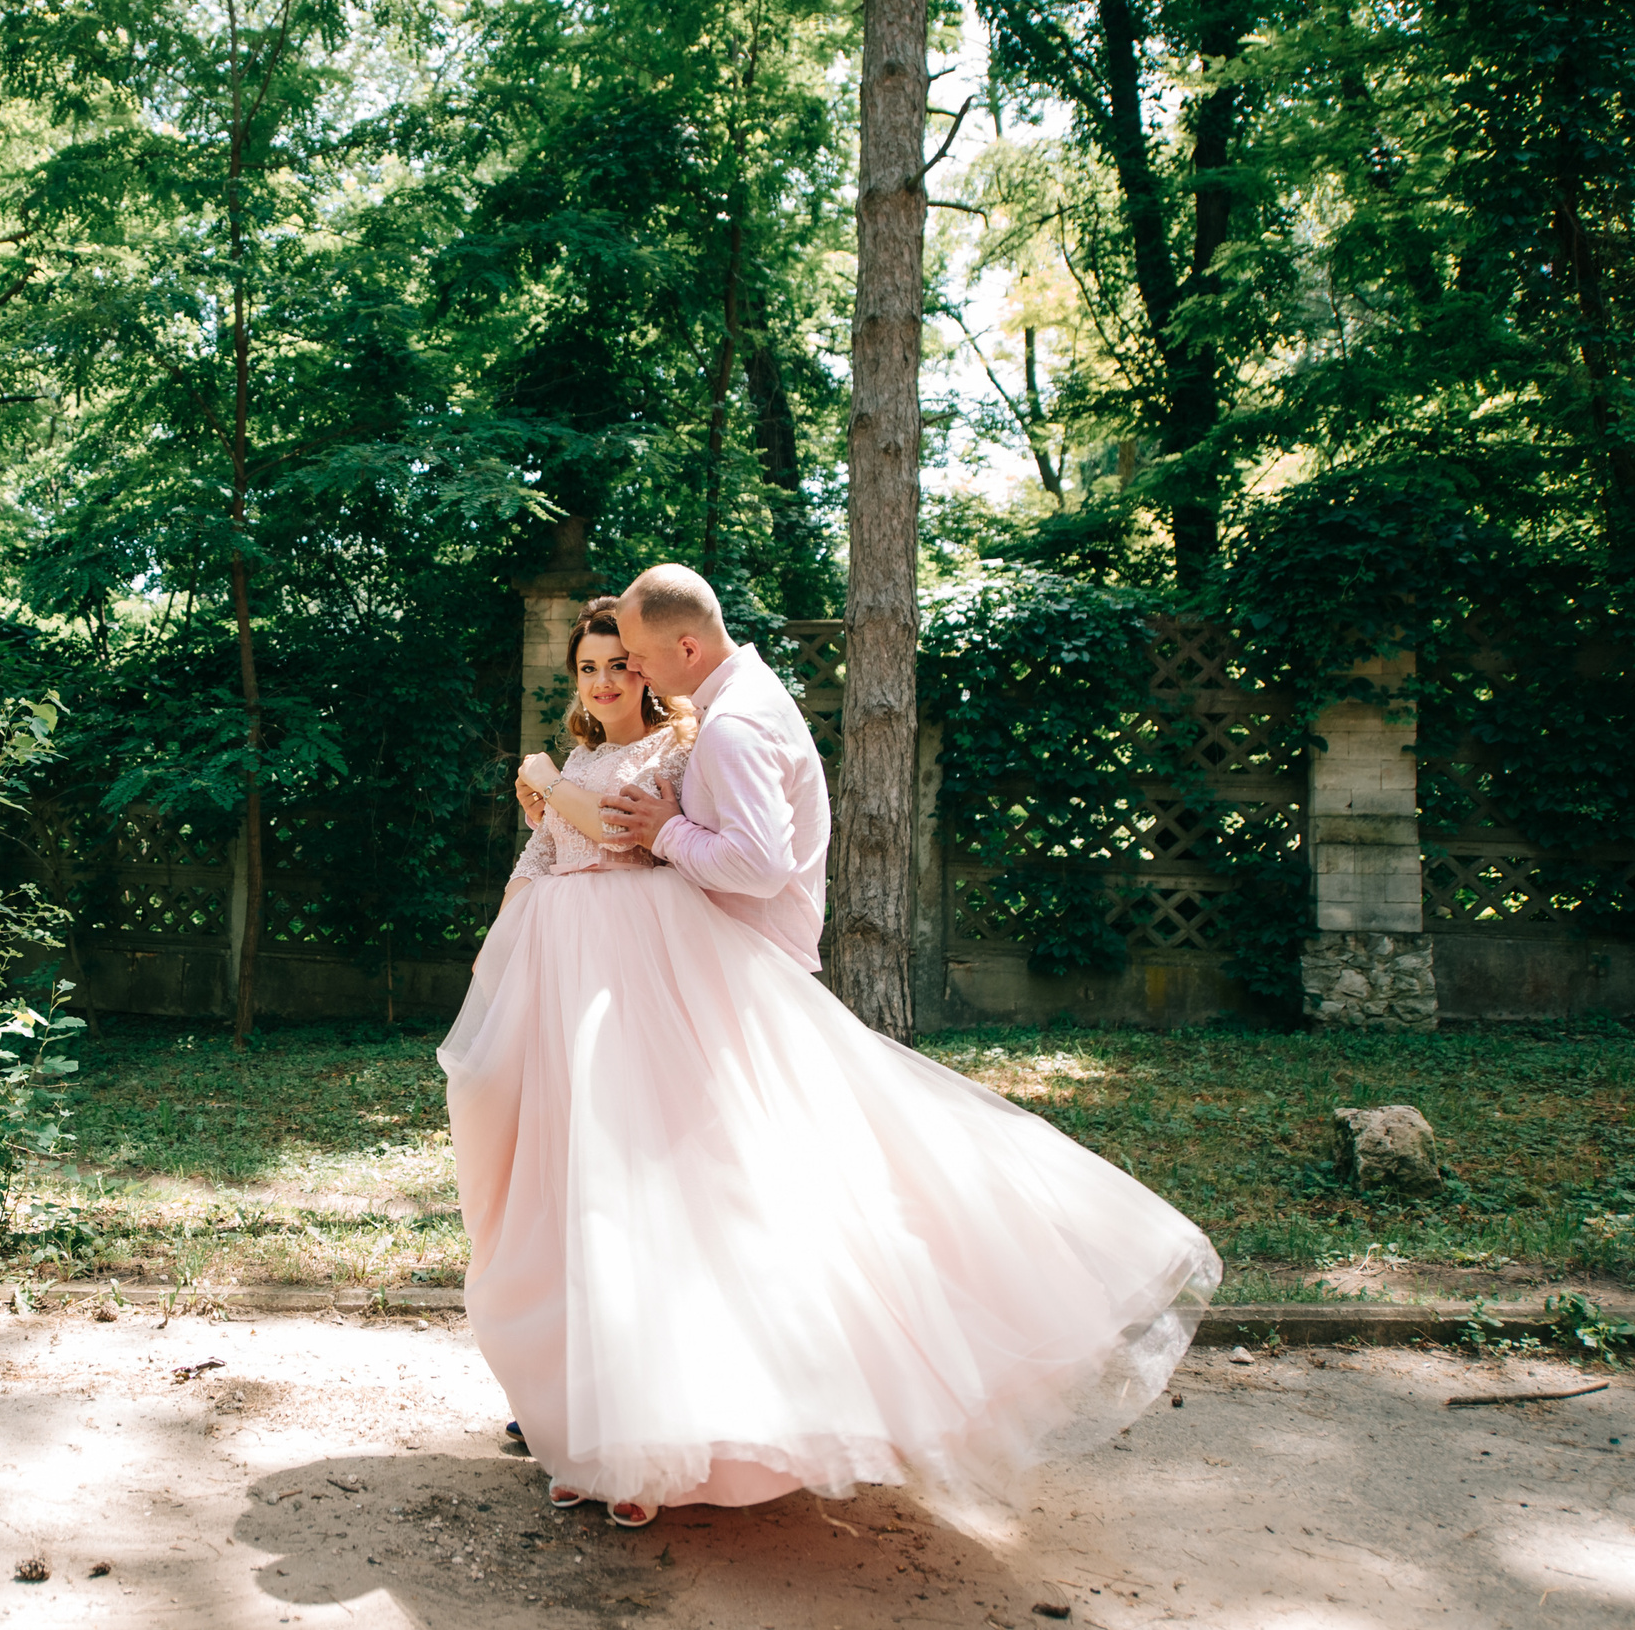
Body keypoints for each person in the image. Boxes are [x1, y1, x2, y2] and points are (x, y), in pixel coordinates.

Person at [441, 565, 1221, 1535]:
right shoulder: (717, 712)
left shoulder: (715, 729)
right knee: (582, 1189)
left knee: (665, 1195)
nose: (619, 674)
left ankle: (659, 1433)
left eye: (629, 657)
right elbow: (561, 850)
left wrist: (600, 804)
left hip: (661, 978)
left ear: (673, 652)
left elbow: (736, 856)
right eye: (598, 664)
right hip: (589, 981)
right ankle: (583, 1425)